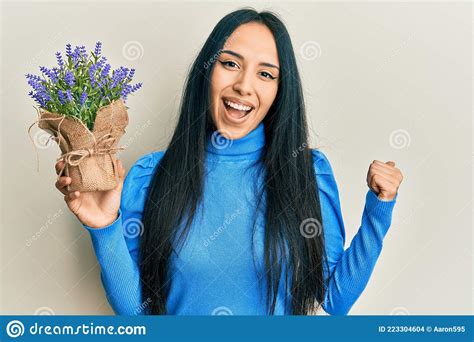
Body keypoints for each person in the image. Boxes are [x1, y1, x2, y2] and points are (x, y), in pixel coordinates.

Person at [55, 8, 403, 315]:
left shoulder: (306, 172)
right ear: (207, 72)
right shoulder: (151, 176)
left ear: (281, 91)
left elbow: (335, 300)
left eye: (265, 74)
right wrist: (103, 228)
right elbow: (135, 314)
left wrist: (379, 209)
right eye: (230, 63)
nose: (243, 85)